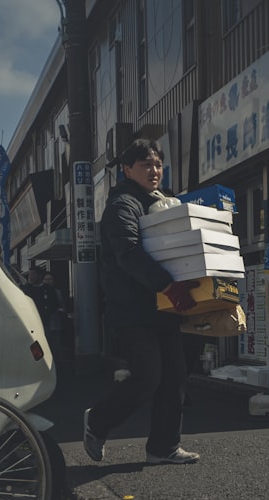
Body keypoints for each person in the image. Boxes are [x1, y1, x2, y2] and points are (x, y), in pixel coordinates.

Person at [82, 138, 201, 465]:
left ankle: (163, 448)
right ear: (127, 169)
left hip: (164, 306)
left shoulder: (163, 202)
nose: (154, 171)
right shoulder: (123, 205)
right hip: (133, 309)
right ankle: (98, 422)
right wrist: (167, 284)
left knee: (175, 378)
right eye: (146, 164)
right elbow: (128, 253)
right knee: (149, 376)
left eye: (158, 164)